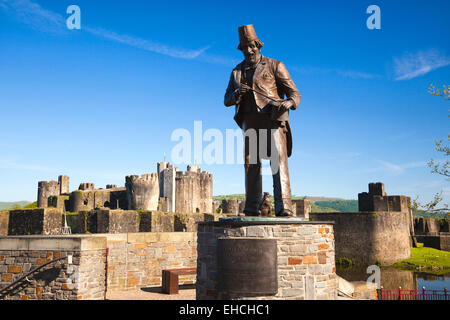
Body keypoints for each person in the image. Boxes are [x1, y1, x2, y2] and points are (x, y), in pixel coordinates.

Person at [224, 24, 301, 217]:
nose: (249, 50)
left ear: (259, 45)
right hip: (249, 122)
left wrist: (288, 103)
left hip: (272, 119)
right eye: (245, 47)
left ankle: (284, 207)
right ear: (241, 49)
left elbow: (295, 94)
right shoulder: (236, 71)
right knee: (251, 165)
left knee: (278, 161)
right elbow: (226, 100)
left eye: (252, 46)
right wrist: (236, 94)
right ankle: (251, 207)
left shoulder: (275, 65)